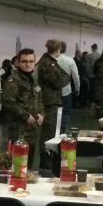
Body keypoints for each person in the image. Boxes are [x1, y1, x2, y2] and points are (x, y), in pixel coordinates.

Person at [0, 48, 43, 161]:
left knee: (29, 164)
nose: (28, 64)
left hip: (32, 130)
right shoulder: (13, 81)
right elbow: (8, 103)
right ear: (18, 63)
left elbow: (39, 100)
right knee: (18, 164)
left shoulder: (33, 80)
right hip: (19, 130)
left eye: (31, 61)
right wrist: (26, 116)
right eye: (24, 61)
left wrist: (41, 114)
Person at [35, 40, 69, 171]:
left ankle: (48, 156)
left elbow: (63, 76)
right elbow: (60, 81)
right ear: (58, 49)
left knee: (53, 129)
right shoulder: (48, 64)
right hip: (49, 101)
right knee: (49, 130)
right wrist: (65, 78)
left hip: (52, 100)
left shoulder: (49, 62)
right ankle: (45, 157)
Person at [56, 41, 80, 132]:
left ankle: (55, 127)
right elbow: (76, 76)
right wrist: (77, 88)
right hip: (66, 90)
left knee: (55, 110)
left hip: (53, 91)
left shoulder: (52, 60)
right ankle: (63, 127)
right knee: (66, 110)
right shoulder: (70, 60)